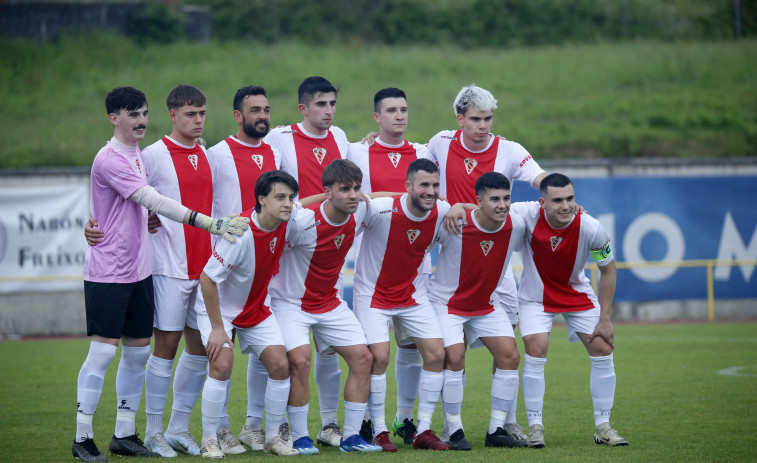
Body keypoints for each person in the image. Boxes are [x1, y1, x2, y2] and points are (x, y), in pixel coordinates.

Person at [73, 87, 247, 462]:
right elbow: (148, 198)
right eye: (132, 114)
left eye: (142, 113)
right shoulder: (141, 155)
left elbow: (131, 205)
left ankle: (150, 431)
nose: (139, 120)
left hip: (163, 269)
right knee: (119, 353)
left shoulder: (177, 152)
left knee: (165, 352)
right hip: (151, 268)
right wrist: (207, 223)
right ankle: (93, 437)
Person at [426, 84, 546, 444]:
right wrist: (454, 205)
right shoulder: (439, 143)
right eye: (475, 119)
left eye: (488, 119)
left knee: (506, 345)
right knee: (453, 348)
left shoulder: (508, 149)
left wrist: (557, 196)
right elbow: (418, 174)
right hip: (455, 256)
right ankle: (449, 424)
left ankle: (506, 422)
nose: (483, 126)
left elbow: (539, 178)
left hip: (497, 268)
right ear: (459, 119)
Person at [267, 159, 383, 453]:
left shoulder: (360, 212)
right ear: (327, 192)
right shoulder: (302, 220)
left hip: (330, 304)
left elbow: (391, 199)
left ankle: (352, 437)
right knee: (301, 361)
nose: (353, 195)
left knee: (364, 359)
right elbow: (273, 220)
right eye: (345, 189)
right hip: (291, 304)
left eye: (357, 188)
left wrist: (451, 203)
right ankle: (300, 436)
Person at [508, 173, 628, 448]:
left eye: (570, 199)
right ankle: (536, 426)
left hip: (576, 294)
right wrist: (458, 207)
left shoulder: (591, 227)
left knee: (603, 347)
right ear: (542, 203)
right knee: (536, 347)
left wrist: (605, 318)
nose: (566, 205)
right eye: (558, 200)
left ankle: (603, 427)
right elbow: (491, 208)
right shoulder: (526, 213)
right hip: (535, 298)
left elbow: (608, 270)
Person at [262, 76, 349, 447]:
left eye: (332, 103)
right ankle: (265, 425)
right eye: (320, 104)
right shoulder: (280, 138)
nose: (328, 111)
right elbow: (261, 175)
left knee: (327, 345)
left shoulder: (341, 138)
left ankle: (329, 425)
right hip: (287, 249)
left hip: (328, 250)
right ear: (303, 108)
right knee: (273, 347)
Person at [194, 170, 301, 458]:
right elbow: (207, 278)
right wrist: (218, 329)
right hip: (218, 310)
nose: (288, 203)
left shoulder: (285, 216)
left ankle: (273, 435)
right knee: (222, 365)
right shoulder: (239, 233)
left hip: (255, 308)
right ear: (261, 200)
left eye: (291, 197)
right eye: (280, 197)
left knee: (280, 364)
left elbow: (317, 203)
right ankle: (209, 439)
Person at [346, 87, 429, 445]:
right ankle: (366, 420)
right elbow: (359, 198)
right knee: (373, 352)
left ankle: (405, 420)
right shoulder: (357, 151)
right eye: (392, 110)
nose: (400, 115)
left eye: (404, 109)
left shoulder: (424, 151)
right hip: (372, 264)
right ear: (376, 117)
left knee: (411, 347)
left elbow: (431, 196)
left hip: (414, 263)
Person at [352, 158, 451, 451]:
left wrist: (461, 207)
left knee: (436, 354)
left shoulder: (443, 211)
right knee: (379, 357)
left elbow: (471, 220)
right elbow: (343, 227)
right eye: (424, 185)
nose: (430, 191)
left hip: (412, 294)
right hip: (372, 294)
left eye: (435, 185)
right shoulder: (379, 208)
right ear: (408, 186)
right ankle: (379, 431)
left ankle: (423, 430)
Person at [205, 86, 281, 452]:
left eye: (266, 109)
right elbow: (191, 198)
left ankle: (253, 427)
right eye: (254, 110)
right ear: (238, 115)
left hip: (261, 272)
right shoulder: (217, 154)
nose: (262, 115)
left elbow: (289, 200)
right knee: (217, 357)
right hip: (221, 270)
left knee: (266, 355)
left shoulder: (275, 150)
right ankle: (216, 431)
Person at [429, 172, 526, 450]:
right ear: (478, 201)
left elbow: (547, 212)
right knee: (455, 356)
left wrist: (576, 209)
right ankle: (453, 429)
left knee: (509, 356)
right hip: (447, 303)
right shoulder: (453, 222)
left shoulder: (516, 224)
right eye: (494, 199)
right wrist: (456, 206)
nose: (502, 205)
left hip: (485, 304)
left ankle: (496, 429)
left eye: (506, 198)